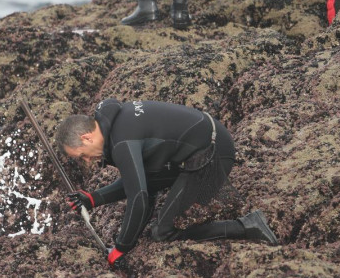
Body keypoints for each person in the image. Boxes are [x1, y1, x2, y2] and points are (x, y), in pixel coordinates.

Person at [55, 99, 278, 268]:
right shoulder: (115, 124)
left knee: (162, 232)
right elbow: (141, 182)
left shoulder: (122, 142)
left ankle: (247, 225)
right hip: (203, 145)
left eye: (81, 155)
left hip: (213, 156)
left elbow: (139, 197)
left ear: (86, 138)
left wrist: (121, 248)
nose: (86, 160)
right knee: (152, 200)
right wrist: (93, 198)